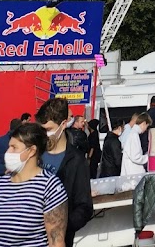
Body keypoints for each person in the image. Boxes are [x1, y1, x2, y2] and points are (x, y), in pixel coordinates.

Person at [0, 121, 68, 247]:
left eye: (14, 147)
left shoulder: (50, 187)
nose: (8, 152)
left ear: (31, 151)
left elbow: (56, 242)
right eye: (9, 147)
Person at [36, 97, 93, 247]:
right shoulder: (34, 153)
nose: (44, 134)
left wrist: (61, 227)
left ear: (63, 124)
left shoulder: (76, 160)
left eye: (47, 129)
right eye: (41, 129)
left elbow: (84, 207)